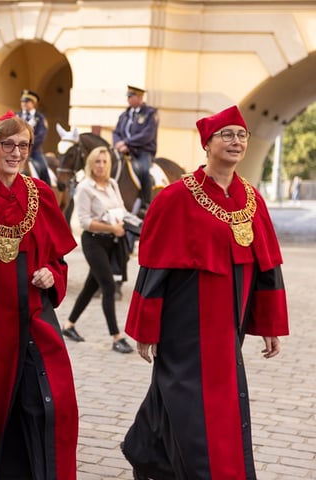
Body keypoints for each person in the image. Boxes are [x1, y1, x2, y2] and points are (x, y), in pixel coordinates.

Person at [121, 105, 289, 479]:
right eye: (226, 135)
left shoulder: (252, 199)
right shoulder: (175, 197)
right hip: (185, 322)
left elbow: (267, 266)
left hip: (231, 327)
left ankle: (152, 457)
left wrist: (270, 324)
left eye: (242, 135)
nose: (236, 141)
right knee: (190, 403)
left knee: (209, 400)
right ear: (207, 143)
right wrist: (147, 329)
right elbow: (155, 268)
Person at [0, 115, 79, 479]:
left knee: (53, 404)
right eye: (8, 145)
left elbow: (58, 261)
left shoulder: (42, 194)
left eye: (23, 146)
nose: (16, 153)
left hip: (33, 317)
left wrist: (52, 274)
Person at [61, 146, 134, 354]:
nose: (101, 165)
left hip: (112, 242)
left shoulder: (112, 184)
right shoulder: (85, 187)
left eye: (104, 161)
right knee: (109, 287)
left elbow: (122, 209)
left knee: (91, 286)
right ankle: (116, 337)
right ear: (91, 164)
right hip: (93, 242)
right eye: (97, 161)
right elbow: (84, 222)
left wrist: (135, 224)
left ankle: (69, 325)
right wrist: (111, 227)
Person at [112, 85, 159, 215]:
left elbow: (147, 135)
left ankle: (146, 203)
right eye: (128, 96)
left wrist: (127, 143)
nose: (128, 99)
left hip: (143, 152)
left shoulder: (150, 113)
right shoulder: (124, 115)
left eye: (131, 96)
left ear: (139, 97)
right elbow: (116, 132)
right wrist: (117, 144)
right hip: (124, 151)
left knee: (144, 171)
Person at [17, 89, 51, 185]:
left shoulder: (40, 118)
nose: (23, 103)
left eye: (27, 101)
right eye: (22, 101)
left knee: (43, 169)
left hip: (34, 151)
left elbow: (41, 136)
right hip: (15, 149)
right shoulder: (16, 116)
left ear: (33, 103)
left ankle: (47, 192)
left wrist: (26, 146)